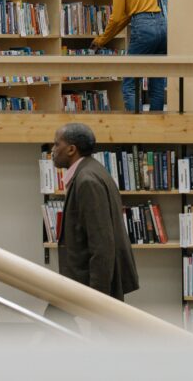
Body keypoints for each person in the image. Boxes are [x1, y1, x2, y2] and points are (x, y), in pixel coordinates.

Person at [50, 123, 139, 300]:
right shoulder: (91, 170)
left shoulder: (87, 181)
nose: (53, 150)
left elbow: (101, 245)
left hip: (89, 287)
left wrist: (97, 298)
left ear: (71, 149)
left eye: (56, 144)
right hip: (85, 283)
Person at [91, 0, 167, 112]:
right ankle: (157, 123)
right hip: (162, 25)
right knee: (157, 81)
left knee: (130, 82)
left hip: (143, 27)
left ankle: (136, 124)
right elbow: (126, 17)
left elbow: (117, 17)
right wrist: (105, 38)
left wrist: (101, 40)